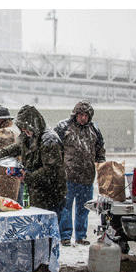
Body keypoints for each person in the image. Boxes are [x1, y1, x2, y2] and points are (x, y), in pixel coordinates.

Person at [0, 105, 67, 219]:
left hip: (50, 194)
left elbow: (51, 170)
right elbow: (18, 147)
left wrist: (27, 176)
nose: (24, 130)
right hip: (34, 191)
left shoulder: (49, 140)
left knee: (47, 227)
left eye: (26, 128)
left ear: (34, 125)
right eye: (22, 128)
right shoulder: (28, 135)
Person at [54, 100, 106, 246]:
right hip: (68, 177)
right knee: (65, 208)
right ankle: (65, 236)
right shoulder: (64, 127)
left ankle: (81, 236)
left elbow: (100, 150)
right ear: (75, 115)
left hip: (87, 178)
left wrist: (101, 166)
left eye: (86, 115)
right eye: (80, 115)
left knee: (84, 209)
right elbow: (54, 148)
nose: (83, 118)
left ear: (90, 116)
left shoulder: (94, 131)